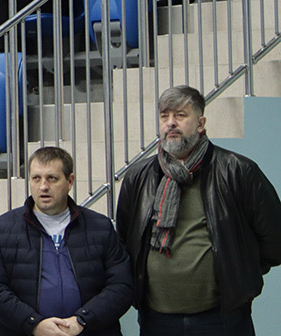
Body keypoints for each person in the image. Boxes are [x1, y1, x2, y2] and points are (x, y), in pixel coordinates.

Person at [115, 85, 281, 333]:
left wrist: (240, 267)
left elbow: (275, 241)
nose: (171, 123)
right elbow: (127, 240)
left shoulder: (237, 171)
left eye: (180, 115)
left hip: (222, 319)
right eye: (164, 116)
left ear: (201, 123)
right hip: (156, 321)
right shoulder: (138, 177)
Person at [0, 146, 134, 336]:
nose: (43, 186)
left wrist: (82, 320)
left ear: (70, 181)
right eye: (36, 178)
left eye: (52, 178)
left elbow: (122, 285)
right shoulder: (3, 229)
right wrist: (34, 324)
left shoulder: (100, 227)